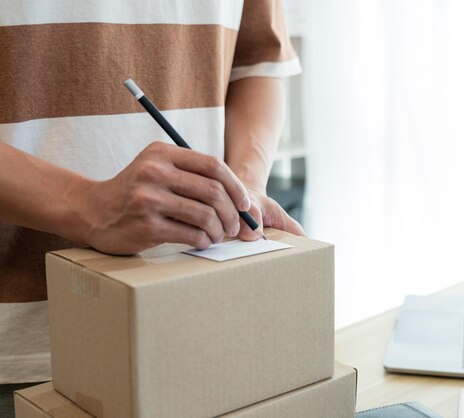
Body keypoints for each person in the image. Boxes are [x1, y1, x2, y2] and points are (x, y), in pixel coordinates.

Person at [0, 1, 304, 415]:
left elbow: (257, 66)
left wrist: (245, 184)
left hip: (206, 322)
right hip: (25, 348)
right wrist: (85, 205)